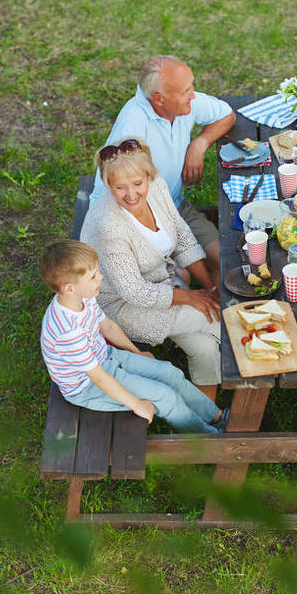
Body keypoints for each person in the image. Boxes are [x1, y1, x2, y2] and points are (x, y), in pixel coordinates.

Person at [80, 138, 222, 400]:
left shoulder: (157, 186)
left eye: (137, 184)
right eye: (119, 187)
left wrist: (207, 287)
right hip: (121, 306)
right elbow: (134, 292)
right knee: (220, 321)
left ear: (148, 175)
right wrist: (193, 297)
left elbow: (181, 235)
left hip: (162, 282)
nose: (131, 194)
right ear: (108, 185)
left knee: (205, 347)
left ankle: (207, 419)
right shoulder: (110, 226)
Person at [39, 240, 225, 433]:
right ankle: (209, 438)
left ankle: (215, 416)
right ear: (69, 288)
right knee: (164, 396)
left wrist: (136, 353)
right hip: (87, 386)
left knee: (170, 373)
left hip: (106, 356)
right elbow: (100, 378)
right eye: (93, 276)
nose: (101, 278)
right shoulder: (68, 331)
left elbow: (108, 327)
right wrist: (138, 405)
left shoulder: (83, 296)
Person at [90, 55, 235, 283]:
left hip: (175, 207)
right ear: (159, 99)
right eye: (185, 91)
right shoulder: (131, 129)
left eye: (191, 86)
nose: (193, 95)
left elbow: (226, 114)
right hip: (137, 220)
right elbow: (110, 195)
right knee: (178, 279)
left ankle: (216, 296)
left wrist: (199, 144)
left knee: (228, 259)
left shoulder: (182, 104)